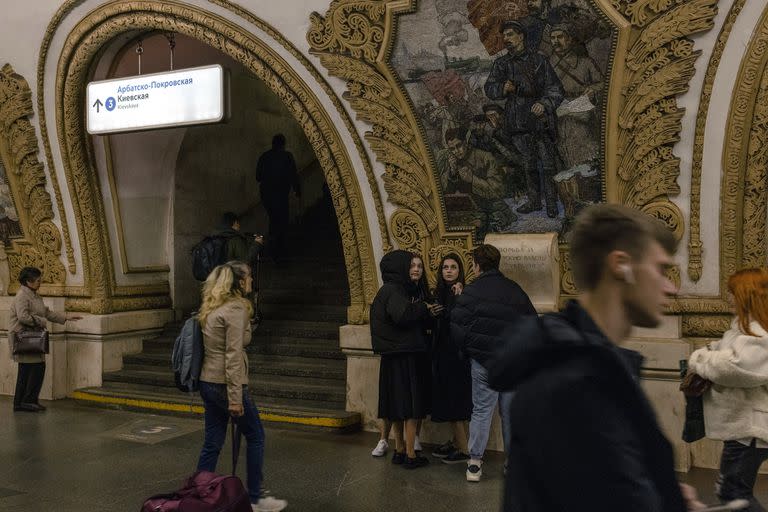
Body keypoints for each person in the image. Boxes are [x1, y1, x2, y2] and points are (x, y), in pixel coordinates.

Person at [467, 204, 705, 511]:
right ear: (621, 265)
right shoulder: (575, 383)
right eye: (660, 269)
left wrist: (660, 491)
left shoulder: (590, 362)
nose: (671, 288)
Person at [196, 261, 287, 512]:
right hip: (226, 385)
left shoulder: (212, 307)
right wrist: (235, 398)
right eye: (248, 277)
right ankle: (255, 498)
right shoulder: (236, 308)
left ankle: (200, 493)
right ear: (238, 282)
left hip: (208, 381)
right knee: (256, 435)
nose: (252, 281)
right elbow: (233, 355)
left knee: (212, 441)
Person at [451, 244, 536, 482]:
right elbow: (531, 325)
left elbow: (457, 326)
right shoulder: (515, 290)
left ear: (476, 266)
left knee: (481, 412)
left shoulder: (471, 291)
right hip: (511, 362)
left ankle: (475, 463)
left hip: (482, 363)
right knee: (510, 413)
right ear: (497, 264)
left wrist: (469, 351)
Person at [688, 268, 768, 511]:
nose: (730, 297)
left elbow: (734, 368)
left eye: (733, 292)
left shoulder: (759, 334)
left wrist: (699, 359)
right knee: (732, 492)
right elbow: (723, 353)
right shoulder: (742, 330)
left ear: (746, 295)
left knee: (734, 494)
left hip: (749, 431)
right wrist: (711, 353)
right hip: (743, 430)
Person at [484, 20, 564, 218]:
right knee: (528, 165)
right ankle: (535, 202)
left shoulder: (539, 61)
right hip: (518, 122)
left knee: (547, 164)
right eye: (504, 36)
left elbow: (556, 89)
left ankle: (552, 203)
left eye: (510, 34)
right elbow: (490, 88)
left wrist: (544, 103)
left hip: (540, 120)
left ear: (521, 36)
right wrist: (503, 88)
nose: (506, 39)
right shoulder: (501, 64)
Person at [371, 250, 441, 469]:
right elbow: (402, 315)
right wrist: (424, 308)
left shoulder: (390, 289)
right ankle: (411, 454)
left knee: (397, 407)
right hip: (406, 356)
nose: (414, 268)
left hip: (395, 356)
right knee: (410, 406)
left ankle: (400, 450)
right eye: (409, 264)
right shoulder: (394, 290)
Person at [10, 266, 81, 412]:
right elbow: (23, 316)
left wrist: (66, 317)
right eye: (37, 280)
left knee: (27, 370)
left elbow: (46, 312)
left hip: (30, 338)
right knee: (35, 368)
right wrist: (41, 322)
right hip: (25, 338)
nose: (40, 282)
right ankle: (27, 401)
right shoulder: (22, 296)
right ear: (28, 281)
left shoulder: (35, 295)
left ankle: (22, 402)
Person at [429, 254, 472, 464]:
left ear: (459, 271)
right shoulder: (438, 292)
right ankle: (457, 442)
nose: (448, 270)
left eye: (453, 267)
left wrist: (459, 299)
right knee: (450, 400)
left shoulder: (462, 292)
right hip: (442, 354)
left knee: (456, 402)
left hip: (457, 356)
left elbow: (462, 320)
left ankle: (464, 449)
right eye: (445, 267)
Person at [438, 127, 516, 237]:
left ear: (466, 142)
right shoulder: (452, 162)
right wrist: (452, 173)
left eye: (459, 146)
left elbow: (498, 191)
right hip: (470, 211)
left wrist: (473, 180)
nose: (456, 151)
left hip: (492, 208)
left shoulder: (485, 157)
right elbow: (446, 194)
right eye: (452, 149)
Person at [548, 24, 603, 170]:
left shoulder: (586, 63)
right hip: (559, 115)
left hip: (583, 114)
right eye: (552, 38)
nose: (555, 41)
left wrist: (592, 89)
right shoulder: (546, 66)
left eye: (560, 37)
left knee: (587, 155)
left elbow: (604, 83)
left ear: (569, 39)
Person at [255, 134, 301, 262]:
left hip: (267, 196)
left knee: (273, 220)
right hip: (281, 195)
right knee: (281, 222)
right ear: (283, 144)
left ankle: (274, 250)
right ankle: (280, 251)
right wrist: (298, 191)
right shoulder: (287, 156)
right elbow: (294, 175)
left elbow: (258, 177)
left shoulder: (264, 157)